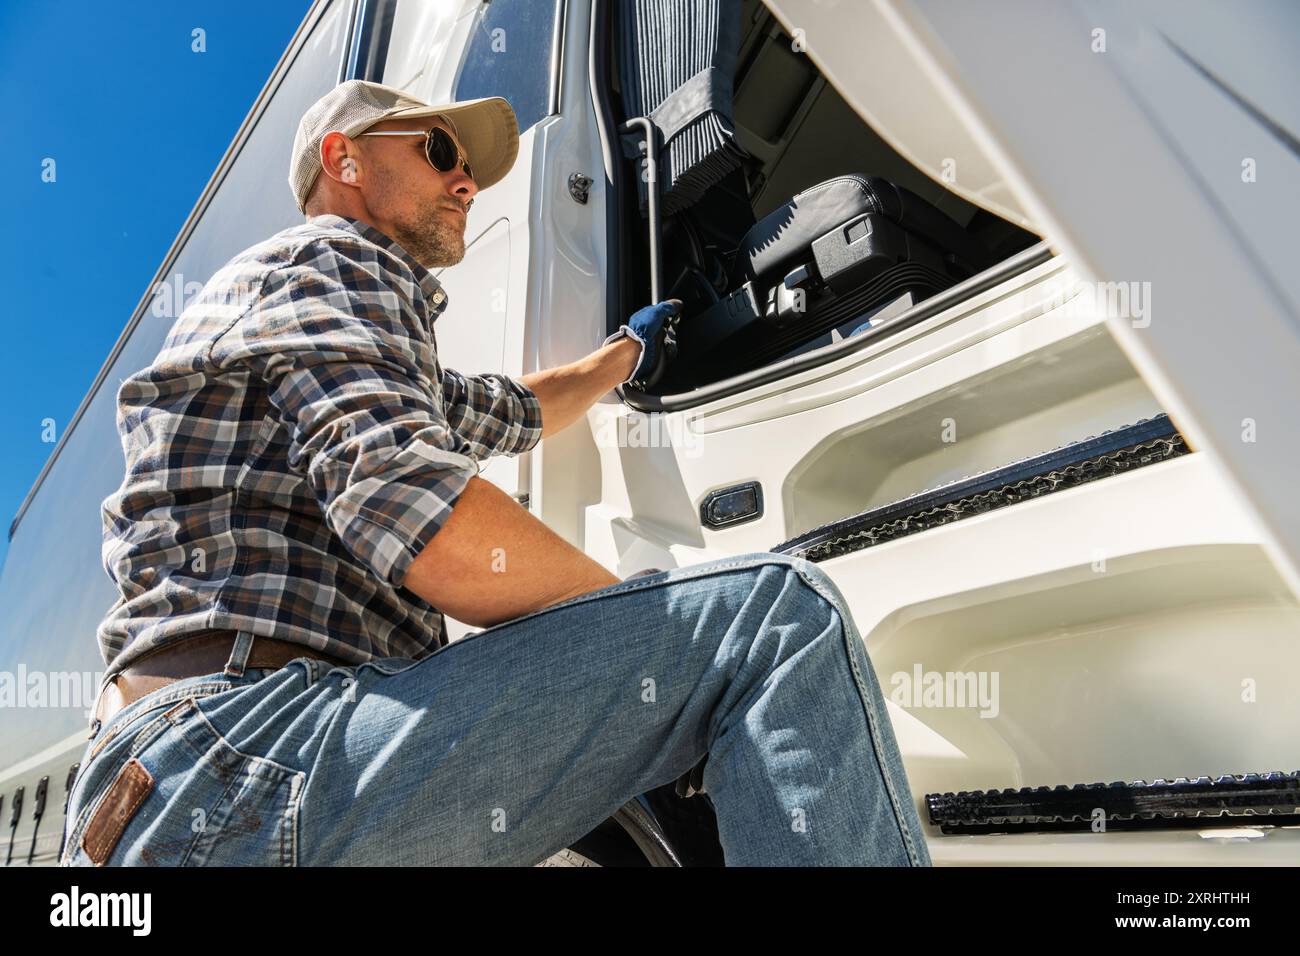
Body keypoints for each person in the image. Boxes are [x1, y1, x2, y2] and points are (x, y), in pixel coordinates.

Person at [59, 80, 931, 867]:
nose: (467, 182)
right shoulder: (335, 260)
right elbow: (422, 521)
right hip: (249, 754)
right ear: (344, 158)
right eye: (439, 151)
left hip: (182, 791)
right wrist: (665, 668)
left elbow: (511, 410)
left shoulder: (322, 327)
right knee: (777, 619)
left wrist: (623, 353)